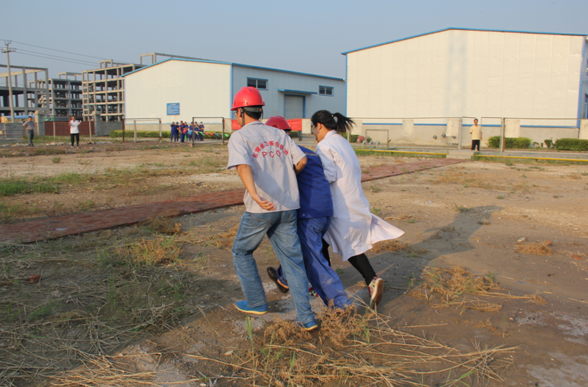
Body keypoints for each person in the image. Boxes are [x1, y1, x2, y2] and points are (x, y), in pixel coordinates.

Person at [227, 87, 317, 331]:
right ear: (260, 110)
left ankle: (256, 302)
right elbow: (302, 161)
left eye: (236, 112)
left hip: (261, 209)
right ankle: (307, 319)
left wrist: (255, 194)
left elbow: (243, 165)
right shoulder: (279, 134)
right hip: (288, 207)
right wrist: (286, 180)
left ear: (242, 112)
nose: (236, 116)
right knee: (293, 263)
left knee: (241, 252)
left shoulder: (240, 136)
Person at [311, 110, 404, 308]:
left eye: (313, 128)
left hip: (338, 205)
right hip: (354, 201)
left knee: (324, 242)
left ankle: (327, 285)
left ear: (319, 125)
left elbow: (327, 175)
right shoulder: (343, 142)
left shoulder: (324, 145)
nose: (313, 133)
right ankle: (369, 280)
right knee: (336, 242)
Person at [265, 116, 351, 310]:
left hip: (309, 215)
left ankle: (341, 305)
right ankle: (284, 277)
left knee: (315, 262)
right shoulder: (307, 152)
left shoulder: (284, 154)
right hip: (325, 212)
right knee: (303, 250)